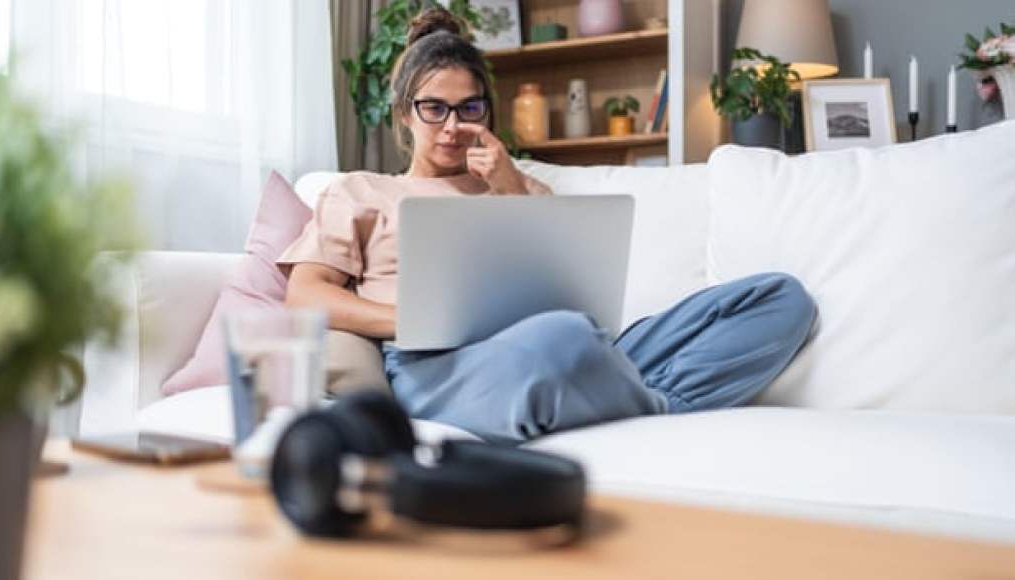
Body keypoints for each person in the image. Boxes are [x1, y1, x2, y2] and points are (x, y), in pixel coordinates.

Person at [278, 8, 817, 445]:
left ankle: (615, 394)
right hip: (436, 365)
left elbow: (568, 291)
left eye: (469, 108)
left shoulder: (520, 186)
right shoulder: (359, 191)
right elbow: (304, 296)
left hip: (568, 343)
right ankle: (641, 401)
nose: (453, 127)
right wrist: (412, 319)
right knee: (561, 339)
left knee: (779, 299)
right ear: (403, 113)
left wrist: (510, 184)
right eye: (433, 109)